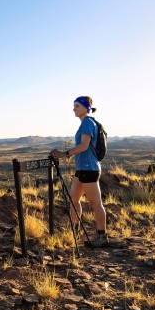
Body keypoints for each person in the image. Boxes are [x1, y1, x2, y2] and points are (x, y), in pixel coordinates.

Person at [50, 96, 108, 247]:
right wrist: (70, 155)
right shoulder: (84, 124)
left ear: (86, 108)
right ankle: (75, 231)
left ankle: (102, 237)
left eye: (77, 106)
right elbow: (82, 148)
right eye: (74, 106)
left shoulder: (88, 123)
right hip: (82, 168)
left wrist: (65, 153)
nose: (74, 109)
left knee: (95, 203)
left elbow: (84, 146)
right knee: (74, 199)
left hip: (89, 168)